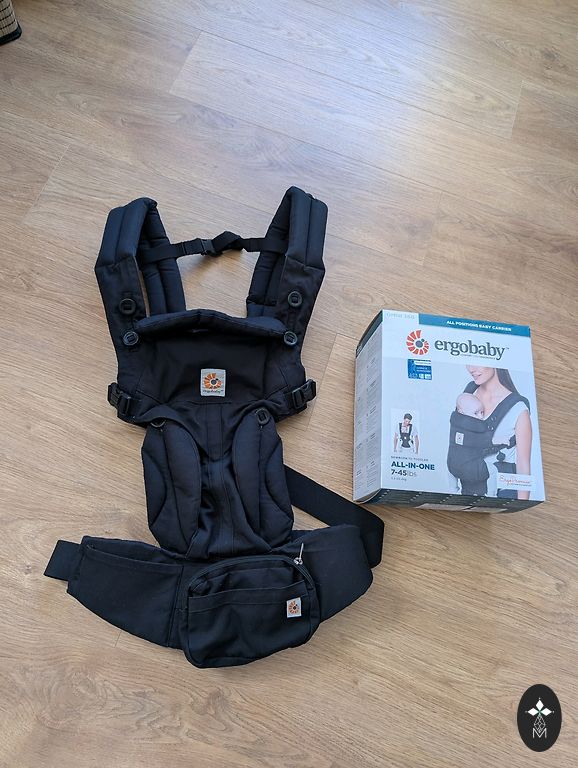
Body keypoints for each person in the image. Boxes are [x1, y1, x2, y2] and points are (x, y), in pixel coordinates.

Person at [456, 367, 532, 499]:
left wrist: (521, 504)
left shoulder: (518, 407)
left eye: (478, 362)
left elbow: (523, 463)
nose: (471, 369)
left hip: (502, 491)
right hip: (469, 489)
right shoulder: (469, 393)